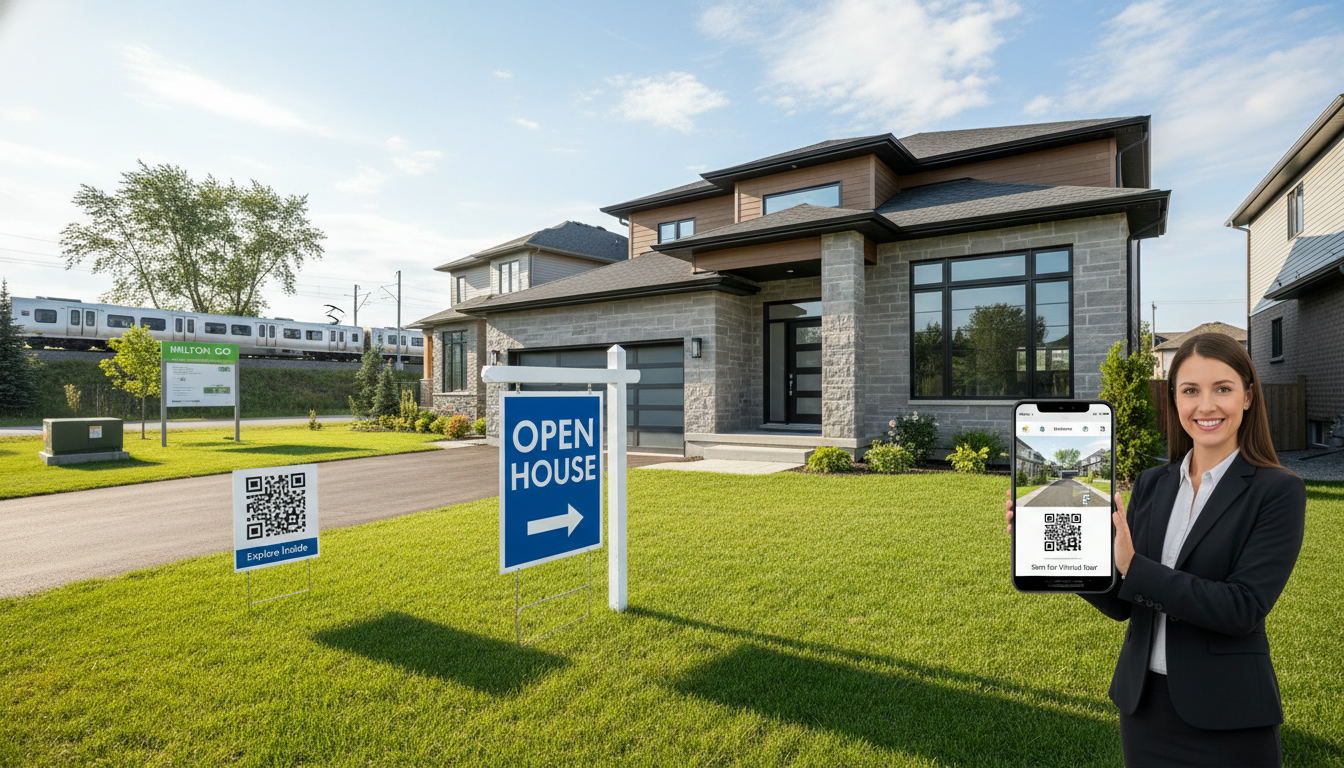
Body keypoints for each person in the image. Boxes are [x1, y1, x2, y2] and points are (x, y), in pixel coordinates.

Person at [1005, 332, 1306, 767]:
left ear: (1247, 397)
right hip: (1144, 709)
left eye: (1222, 388)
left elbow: (1242, 608)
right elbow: (1124, 604)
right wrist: (1059, 552)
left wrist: (1132, 564)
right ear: (1174, 400)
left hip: (1230, 715)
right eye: (1190, 391)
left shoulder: (1278, 491)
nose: (1206, 406)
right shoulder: (1152, 483)